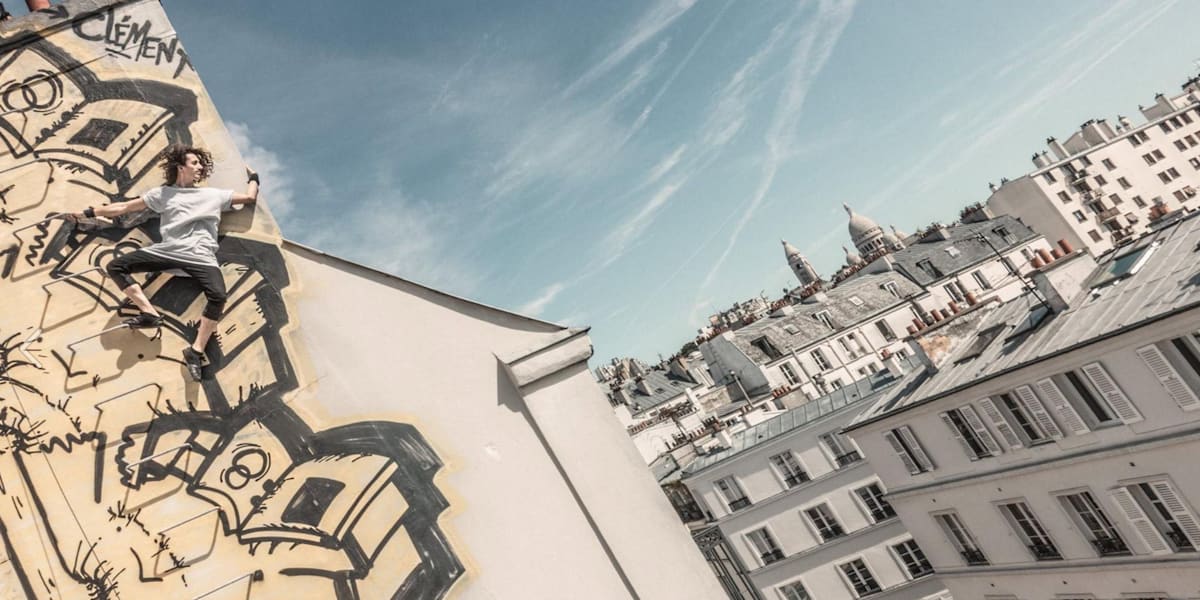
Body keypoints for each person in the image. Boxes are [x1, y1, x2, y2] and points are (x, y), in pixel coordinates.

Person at [64, 145, 259, 381]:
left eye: (200, 164)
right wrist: (87, 213)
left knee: (218, 296)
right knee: (116, 266)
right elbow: (124, 207)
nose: (199, 168)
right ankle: (148, 313)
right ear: (180, 167)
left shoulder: (213, 195)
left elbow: (248, 198)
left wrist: (254, 177)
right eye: (194, 163)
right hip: (170, 251)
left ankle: (195, 351)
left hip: (202, 256)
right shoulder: (163, 194)